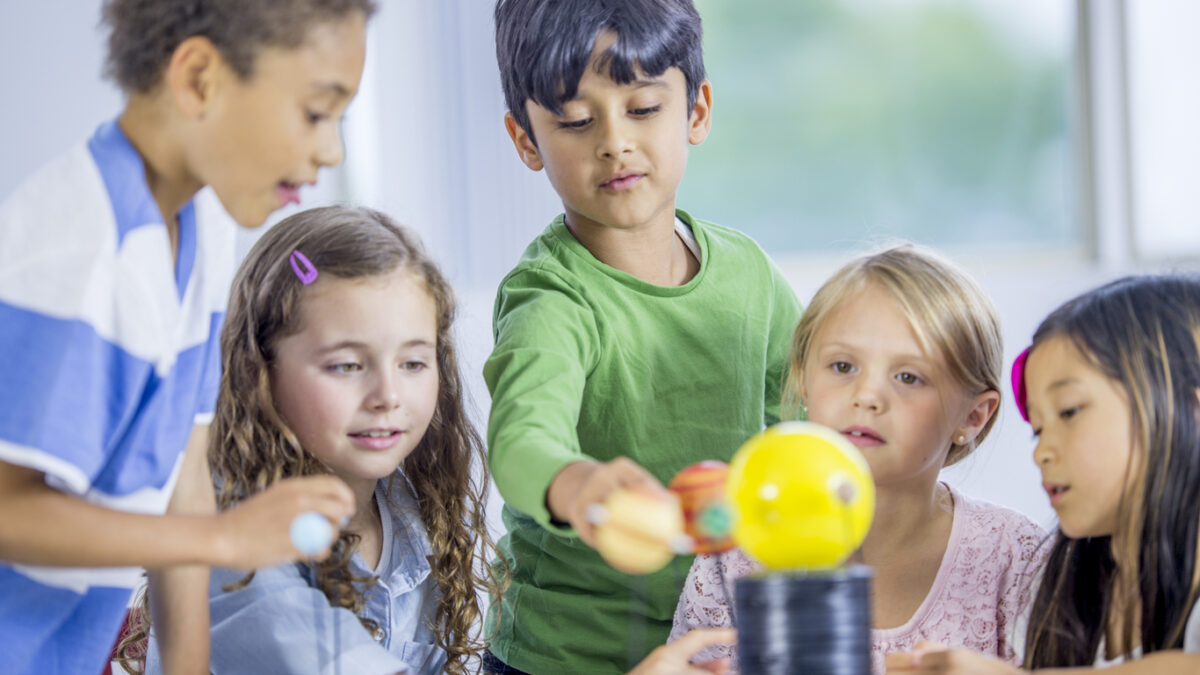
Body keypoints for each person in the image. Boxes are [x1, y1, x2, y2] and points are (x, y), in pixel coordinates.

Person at [0, 2, 373, 672]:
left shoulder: (204, 220)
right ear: (199, 79)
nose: (331, 151)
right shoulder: (75, 248)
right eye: (317, 113)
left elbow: (186, 480)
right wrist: (225, 538)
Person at [484, 0, 803, 672]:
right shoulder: (550, 298)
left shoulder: (749, 273)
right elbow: (520, 445)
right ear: (526, 141)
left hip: (717, 646)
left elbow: (806, 423)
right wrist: (579, 486)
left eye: (644, 108)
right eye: (576, 119)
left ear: (697, 111)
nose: (614, 142)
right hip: (564, 658)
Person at [125, 206, 497, 674]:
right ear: (257, 371)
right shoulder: (228, 526)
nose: (388, 396)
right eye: (347, 365)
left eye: (412, 363)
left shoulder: (413, 514)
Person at [673, 245, 1049, 674]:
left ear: (973, 416)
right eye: (842, 366)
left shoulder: (1016, 559)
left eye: (908, 377)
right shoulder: (735, 557)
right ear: (803, 380)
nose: (867, 396)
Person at [886, 274, 1200, 673]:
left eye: (1069, 412)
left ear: (1191, 412)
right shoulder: (1056, 592)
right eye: (1038, 428)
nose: (1042, 452)